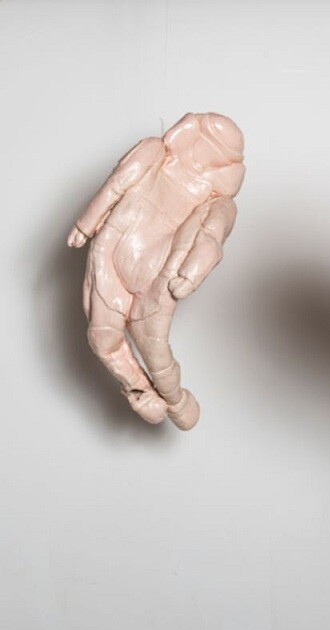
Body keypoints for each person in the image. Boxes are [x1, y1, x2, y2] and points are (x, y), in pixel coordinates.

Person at [69, 112, 245, 430]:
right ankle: (140, 390)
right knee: (102, 338)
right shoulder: (154, 153)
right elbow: (117, 183)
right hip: (111, 254)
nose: (202, 153)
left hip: (157, 279)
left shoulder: (219, 202)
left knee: (156, 354)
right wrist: (88, 221)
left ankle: (176, 401)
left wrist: (191, 273)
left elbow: (211, 236)